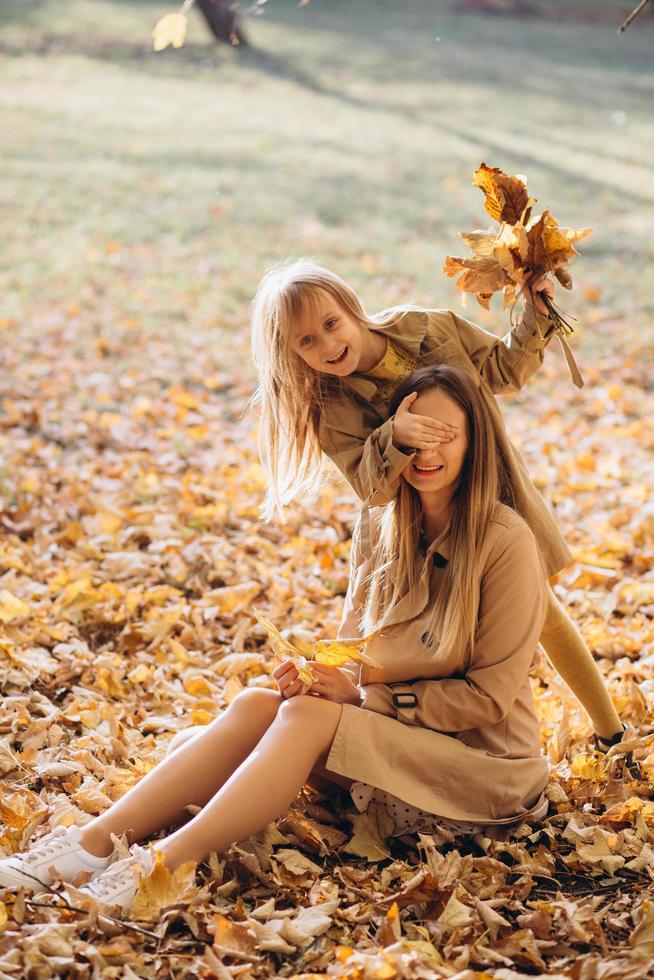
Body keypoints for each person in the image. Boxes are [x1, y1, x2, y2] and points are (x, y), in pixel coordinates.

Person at [0, 365, 551, 914]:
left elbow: (490, 698)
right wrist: (320, 680)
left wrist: (361, 699)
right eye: (414, 432)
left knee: (304, 720)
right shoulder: (380, 524)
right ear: (392, 435)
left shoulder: (505, 542)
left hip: (484, 767)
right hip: (398, 738)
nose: (427, 450)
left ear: (476, 442)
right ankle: (90, 847)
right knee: (261, 703)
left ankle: (162, 867)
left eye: (446, 434)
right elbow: (354, 655)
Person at [249, 257, 623, 750]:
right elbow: (371, 487)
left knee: (540, 611)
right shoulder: (332, 406)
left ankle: (610, 732)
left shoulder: (427, 328)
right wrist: (394, 437)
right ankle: (415, 737)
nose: (327, 344)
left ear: (352, 308)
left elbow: (503, 371)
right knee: (432, 634)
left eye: (331, 323)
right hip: (419, 528)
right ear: (291, 353)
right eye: (306, 342)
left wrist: (535, 315)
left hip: (489, 492)